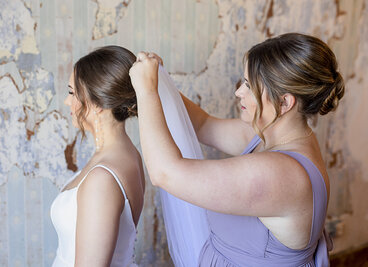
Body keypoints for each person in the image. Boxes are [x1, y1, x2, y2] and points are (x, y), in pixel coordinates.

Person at [129, 33, 344, 266]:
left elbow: (165, 173)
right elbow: (204, 125)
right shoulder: (270, 135)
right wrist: (160, 83)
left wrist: (146, 92)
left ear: (285, 103)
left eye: (249, 85)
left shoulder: (280, 174)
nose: (238, 92)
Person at [50, 46, 145, 267]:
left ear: (98, 103)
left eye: (72, 92)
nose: (67, 102)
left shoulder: (102, 179)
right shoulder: (129, 154)